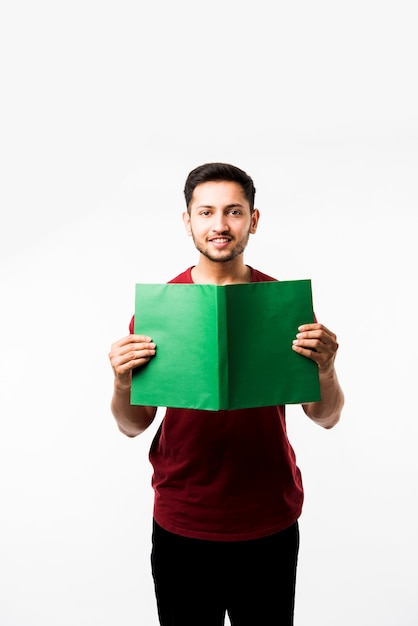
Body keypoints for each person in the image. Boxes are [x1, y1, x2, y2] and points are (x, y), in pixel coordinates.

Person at [108, 162, 344, 626]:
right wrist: (120, 382)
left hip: (269, 519)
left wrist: (328, 367)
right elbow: (133, 425)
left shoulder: (284, 305)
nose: (220, 225)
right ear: (188, 221)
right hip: (182, 519)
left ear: (253, 220)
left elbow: (327, 415)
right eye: (207, 212)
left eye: (234, 212)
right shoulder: (159, 311)